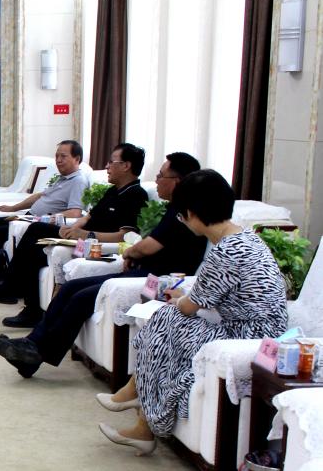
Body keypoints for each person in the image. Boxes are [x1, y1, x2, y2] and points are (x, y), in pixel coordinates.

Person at [97, 170, 288, 455]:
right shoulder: (245, 237)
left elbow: (189, 306)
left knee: (165, 317)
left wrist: (179, 301)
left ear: (192, 213)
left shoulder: (225, 252)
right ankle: (140, 411)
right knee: (167, 321)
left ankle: (138, 396)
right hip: (261, 333)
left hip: (246, 337)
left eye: (181, 215)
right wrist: (184, 300)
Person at [0, 152, 206, 377]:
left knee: (81, 298)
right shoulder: (172, 208)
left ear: (177, 181)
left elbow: (148, 245)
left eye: (161, 175)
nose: (157, 179)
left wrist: (131, 252)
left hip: (160, 280)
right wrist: (133, 254)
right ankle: (31, 347)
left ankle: (35, 352)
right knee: (71, 287)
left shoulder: (183, 212)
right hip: (142, 271)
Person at [0, 142, 149, 327]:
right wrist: (74, 228)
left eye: (111, 162)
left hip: (96, 245)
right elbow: (88, 216)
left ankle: (15, 294)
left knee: (36, 233)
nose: (107, 166)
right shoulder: (113, 191)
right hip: (80, 235)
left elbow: (124, 235)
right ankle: (26, 304)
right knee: (34, 241)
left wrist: (86, 234)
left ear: (126, 165)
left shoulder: (136, 195)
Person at [0, 140, 89, 271]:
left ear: (77, 159)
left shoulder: (78, 181)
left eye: (63, 156)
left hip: (37, 223)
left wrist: (47, 217)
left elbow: (75, 212)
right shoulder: (62, 178)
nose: (58, 160)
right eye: (57, 156)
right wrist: (13, 208)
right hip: (27, 217)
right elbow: (39, 196)